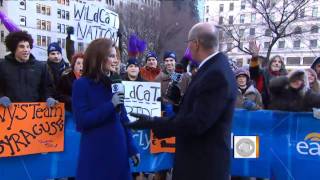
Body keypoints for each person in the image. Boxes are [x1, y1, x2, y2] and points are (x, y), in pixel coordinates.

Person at [126, 22, 237, 180]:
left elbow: (197, 122)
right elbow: (200, 110)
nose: (188, 49)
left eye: (188, 44)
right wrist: (179, 103)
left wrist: (154, 122)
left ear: (196, 44)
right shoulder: (212, 68)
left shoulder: (215, 73)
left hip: (202, 167)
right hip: (199, 163)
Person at [72, 38, 139, 180]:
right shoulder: (82, 85)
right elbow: (82, 120)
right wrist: (110, 105)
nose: (116, 60)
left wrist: (132, 147)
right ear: (98, 58)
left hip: (118, 149)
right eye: (111, 56)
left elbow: (123, 117)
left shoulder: (116, 82)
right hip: (96, 151)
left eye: (116, 56)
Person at [0, 31, 56, 107]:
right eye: (21, 46)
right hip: (9, 113)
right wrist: (1, 97)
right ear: (14, 48)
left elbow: (47, 88)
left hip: (34, 114)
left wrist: (48, 97)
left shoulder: (41, 67)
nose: (26, 50)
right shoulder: (2, 66)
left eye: (28, 46)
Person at [249, 41, 287, 108]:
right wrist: (254, 57)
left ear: (282, 65)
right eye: (274, 61)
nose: (277, 63)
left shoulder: (286, 77)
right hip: (263, 106)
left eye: (279, 62)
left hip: (279, 109)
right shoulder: (263, 73)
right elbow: (253, 72)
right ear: (270, 63)